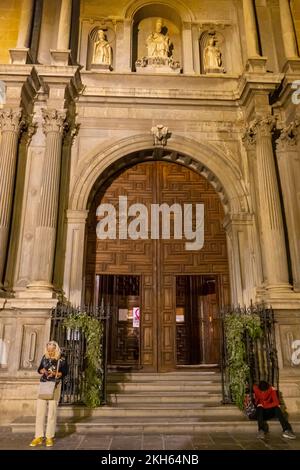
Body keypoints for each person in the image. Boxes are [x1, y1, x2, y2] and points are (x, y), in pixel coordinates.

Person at [29, 341, 68, 447]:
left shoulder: (62, 359)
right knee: (40, 411)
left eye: (52, 350)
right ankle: (38, 436)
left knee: (52, 412)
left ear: (56, 349)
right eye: (49, 350)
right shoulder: (45, 357)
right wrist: (41, 371)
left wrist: (55, 373)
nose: (50, 352)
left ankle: (49, 436)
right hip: (44, 385)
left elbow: (65, 372)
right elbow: (39, 369)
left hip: (54, 386)